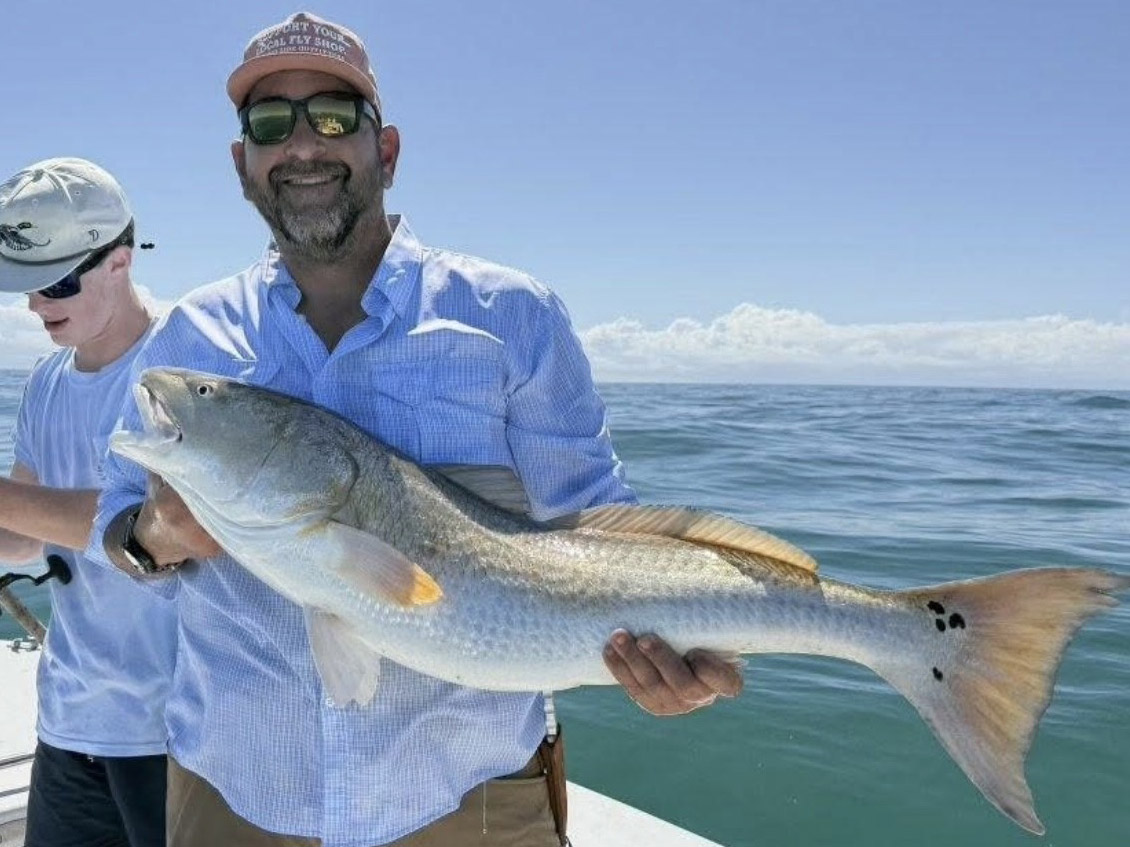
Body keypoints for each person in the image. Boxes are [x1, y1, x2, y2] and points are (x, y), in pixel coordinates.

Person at [93, 12, 743, 846]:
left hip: (469, 800)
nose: (303, 145)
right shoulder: (188, 336)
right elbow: (114, 528)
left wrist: (670, 656)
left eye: (335, 117)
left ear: (387, 151)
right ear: (242, 163)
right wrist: (151, 536)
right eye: (270, 123)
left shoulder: (512, 315)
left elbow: (596, 527)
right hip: (235, 793)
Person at [0, 157, 175, 847]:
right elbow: (25, 535)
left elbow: (155, 529)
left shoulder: (184, 368)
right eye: (27, 283)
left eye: (57, 283)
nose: (36, 306)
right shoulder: (43, 382)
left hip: (175, 735)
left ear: (119, 261)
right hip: (69, 725)